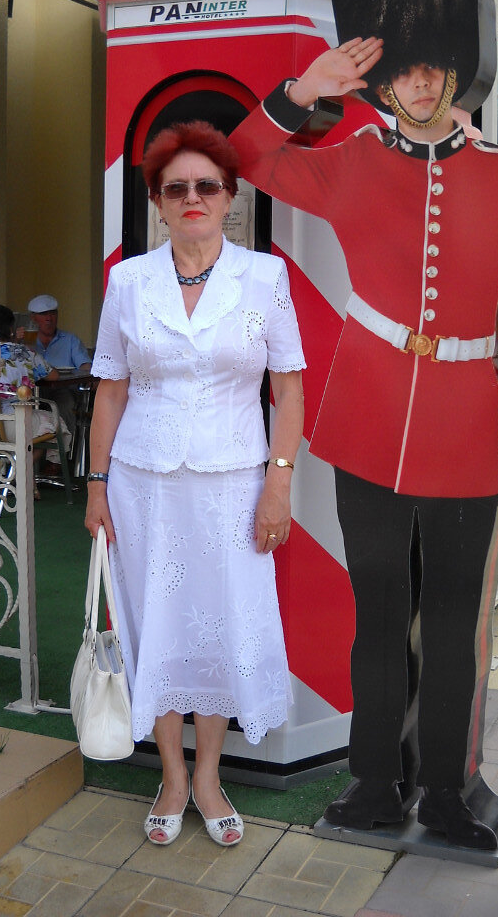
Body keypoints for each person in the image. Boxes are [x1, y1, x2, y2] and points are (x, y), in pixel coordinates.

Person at [229, 0, 498, 850]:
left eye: (435, 67)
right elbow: (247, 154)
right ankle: (374, 783)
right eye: (406, 67)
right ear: (386, 74)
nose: (421, 85)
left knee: (453, 625)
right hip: (366, 424)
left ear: (460, 69)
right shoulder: (348, 163)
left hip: (468, 432)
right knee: (379, 619)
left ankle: (451, 793)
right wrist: (308, 83)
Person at [84, 120, 305, 848]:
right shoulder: (128, 280)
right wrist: (94, 486)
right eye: (175, 188)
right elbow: (110, 392)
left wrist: (279, 484)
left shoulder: (264, 279)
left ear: (231, 196)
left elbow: (289, 388)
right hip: (142, 487)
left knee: (220, 626)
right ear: (156, 201)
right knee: (156, 625)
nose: (192, 197)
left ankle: (209, 776)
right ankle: (171, 776)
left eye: (206, 185)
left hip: (233, 485)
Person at [0, 304, 72, 478]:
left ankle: (20, 475)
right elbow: (53, 376)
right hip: (13, 425)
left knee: (36, 429)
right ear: (10, 329)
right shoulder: (23, 352)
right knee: (55, 423)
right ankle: (18, 475)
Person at [26, 294, 92, 446]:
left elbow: (85, 366)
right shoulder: (27, 341)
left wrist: (85, 371)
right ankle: (32, 450)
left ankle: (59, 457)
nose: (49, 318)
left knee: (63, 402)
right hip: (31, 391)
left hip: (63, 389)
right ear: (33, 318)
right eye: (43, 314)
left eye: (53, 313)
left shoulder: (70, 339)